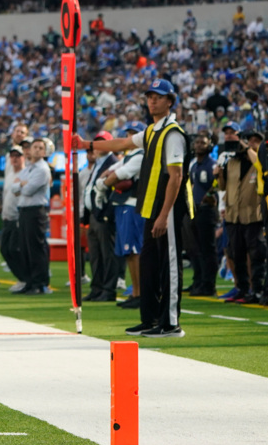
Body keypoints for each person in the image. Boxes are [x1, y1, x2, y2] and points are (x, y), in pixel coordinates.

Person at [76, 79, 192, 338]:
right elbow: (122, 144)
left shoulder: (172, 133)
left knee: (169, 265)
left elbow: (176, 177)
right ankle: (150, 319)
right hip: (151, 208)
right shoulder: (152, 131)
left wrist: (164, 214)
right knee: (150, 264)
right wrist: (88, 145)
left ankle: (171, 324)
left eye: (158, 97)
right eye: (150, 96)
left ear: (170, 101)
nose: (152, 100)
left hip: (167, 210)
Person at [101, 123, 146, 310]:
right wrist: (108, 179)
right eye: (128, 134)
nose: (130, 137)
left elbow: (118, 175)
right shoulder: (129, 156)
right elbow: (109, 172)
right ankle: (136, 291)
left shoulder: (141, 155)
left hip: (133, 205)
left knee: (135, 251)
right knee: (129, 253)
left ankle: (140, 293)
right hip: (124, 205)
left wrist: (104, 183)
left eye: (134, 134)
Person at [217, 132, 265, 304]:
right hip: (233, 216)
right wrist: (219, 173)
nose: (251, 143)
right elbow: (222, 187)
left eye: (256, 141)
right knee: (236, 255)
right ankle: (242, 289)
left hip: (254, 216)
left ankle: (257, 290)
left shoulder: (260, 162)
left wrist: (249, 149)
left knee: (256, 255)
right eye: (249, 140)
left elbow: (259, 164)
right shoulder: (233, 162)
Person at [12, 138, 53, 295]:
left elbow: (27, 190)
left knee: (35, 247)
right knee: (25, 247)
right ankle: (30, 281)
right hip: (24, 210)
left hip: (36, 210)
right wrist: (22, 184)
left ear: (44, 151)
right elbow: (13, 188)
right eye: (34, 147)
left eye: (39, 147)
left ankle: (39, 282)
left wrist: (21, 184)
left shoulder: (42, 169)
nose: (35, 150)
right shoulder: (28, 168)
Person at [82, 132, 119, 301]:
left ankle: (108, 289)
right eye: (97, 143)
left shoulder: (113, 164)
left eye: (103, 142)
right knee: (96, 255)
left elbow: (115, 191)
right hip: (94, 215)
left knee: (107, 254)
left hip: (104, 216)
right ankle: (97, 287)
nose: (99, 146)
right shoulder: (99, 163)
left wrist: (106, 214)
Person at [187, 132, 218, 296]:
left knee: (207, 248)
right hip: (195, 210)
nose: (199, 145)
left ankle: (208, 285)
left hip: (206, 210)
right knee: (195, 248)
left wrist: (210, 196)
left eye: (203, 143)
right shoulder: (194, 165)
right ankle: (198, 280)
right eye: (197, 142)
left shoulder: (212, 165)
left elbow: (217, 185)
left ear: (209, 146)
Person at [0, 145, 27, 291]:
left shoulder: (25, 174)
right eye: (13, 156)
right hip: (7, 217)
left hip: (17, 217)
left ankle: (25, 278)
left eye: (18, 155)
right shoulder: (10, 173)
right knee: (5, 249)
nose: (15, 158)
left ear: (24, 157)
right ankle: (22, 278)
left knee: (14, 249)